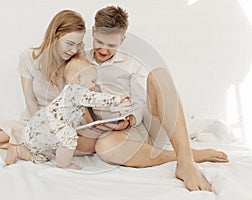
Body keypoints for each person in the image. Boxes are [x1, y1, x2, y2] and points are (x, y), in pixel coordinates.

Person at [85, 6, 229, 191]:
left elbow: (139, 101)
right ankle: (189, 154)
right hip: (115, 136)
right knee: (104, 147)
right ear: (94, 32)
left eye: (112, 45)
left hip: (143, 126)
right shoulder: (79, 62)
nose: (104, 49)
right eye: (100, 42)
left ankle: (186, 161)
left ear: (123, 39)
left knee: (159, 75)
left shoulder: (132, 64)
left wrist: (129, 120)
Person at [0, 10, 94, 155]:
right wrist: (40, 128)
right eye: (69, 44)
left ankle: (23, 147)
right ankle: (30, 144)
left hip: (65, 125)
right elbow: (30, 98)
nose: (73, 50)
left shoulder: (77, 65)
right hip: (35, 121)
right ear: (55, 36)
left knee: (89, 145)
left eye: (78, 45)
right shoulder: (29, 58)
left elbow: (82, 103)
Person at [5, 57, 130, 169]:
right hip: (51, 125)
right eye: (92, 81)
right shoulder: (76, 90)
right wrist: (117, 99)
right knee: (69, 138)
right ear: (79, 78)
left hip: (38, 126)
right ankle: (64, 163)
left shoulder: (68, 92)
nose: (94, 86)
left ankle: (18, 150)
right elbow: (94, 99)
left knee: (42, 156)